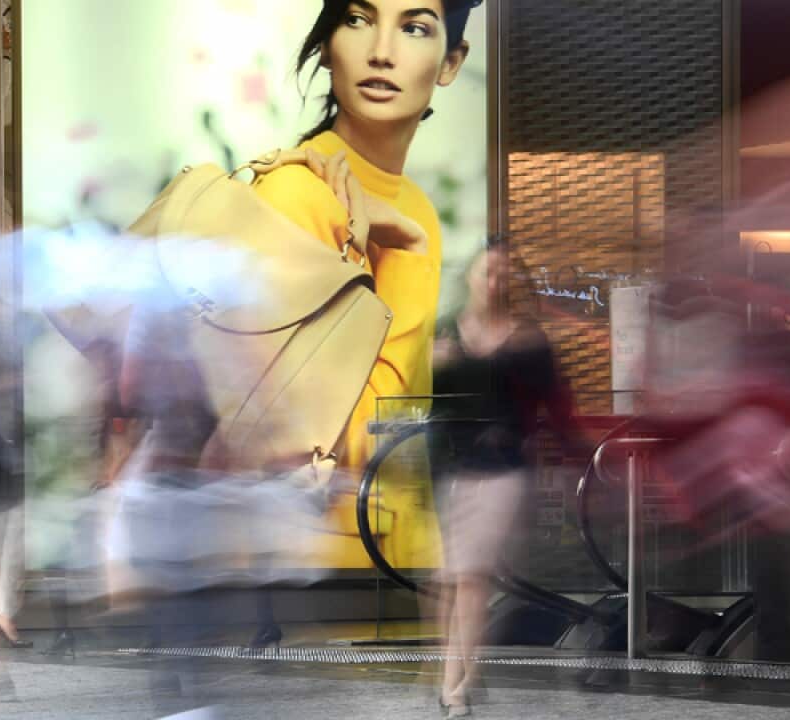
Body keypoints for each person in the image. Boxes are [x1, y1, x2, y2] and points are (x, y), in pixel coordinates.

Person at [249, 0, 480, 647]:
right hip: (327, 558)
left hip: (395, 547)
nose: (382, 51)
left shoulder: (415, 208)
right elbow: (305, 423)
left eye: (414, 27)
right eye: (357, 19)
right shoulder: (298, 193)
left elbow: (404, 394)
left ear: (450, 63)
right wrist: (401, 252)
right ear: (325, 46)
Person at [428, 238, 577, 717]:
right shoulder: (447, 334)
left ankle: (455, 686)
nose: (496, 282)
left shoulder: (528, 340)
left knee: (469, 577)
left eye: (505, 274)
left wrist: (579, 459)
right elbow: (437, 411)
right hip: (455, 471)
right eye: (488, 272)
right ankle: (461, 673)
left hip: (504, 471)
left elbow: (557, 410)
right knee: (450, 582)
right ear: (470, 277)